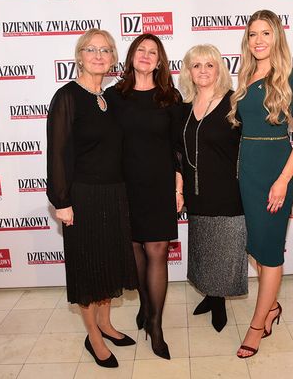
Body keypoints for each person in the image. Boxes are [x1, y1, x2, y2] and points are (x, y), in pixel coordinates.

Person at [46, 28, 138, 368]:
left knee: (108, 264)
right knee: (88, 268)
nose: (98, 56)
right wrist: (62, 201)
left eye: (105, 50)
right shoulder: (67, 97)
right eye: (91, 49)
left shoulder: (110, 98)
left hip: (114, 194)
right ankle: (93, 337)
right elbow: (57, 153)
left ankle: (106, 323)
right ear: (79, 57)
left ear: (113, 58)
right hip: (82, 197)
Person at [228, 10, 293, 358]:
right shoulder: (245, 75)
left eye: (265, 33)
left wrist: (283, 181)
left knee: (270, 251)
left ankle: (257, 325)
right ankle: (272, 306)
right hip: (247, 171)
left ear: (277, 36)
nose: (258, 40)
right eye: (253, 34)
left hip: (276, 171)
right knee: (255, 247)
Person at [104, 33, 183, 360]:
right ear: (131, 56)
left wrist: (179, 187)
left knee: (157, 250)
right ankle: (146, 304)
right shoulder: (113, 96)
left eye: (153, 52)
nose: (146, 55)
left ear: (160, 61)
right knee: (135, 250)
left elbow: (178, 147)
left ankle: (155, 324)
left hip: (160, 185)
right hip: (125, 185)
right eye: (141, 50)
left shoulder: (170, 96)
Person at [178, 44, 248, 332]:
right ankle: (210, 295)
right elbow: (178, 151)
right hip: (197, 195)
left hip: (228, 192)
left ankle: (219, 303)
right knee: (204, 249)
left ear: (219, 70)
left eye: (209, 64)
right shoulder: (184, 107)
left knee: (225, 250)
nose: (203, 70)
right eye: (196, 65)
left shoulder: (235, 103)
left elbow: (251, 148)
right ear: (189, 72)